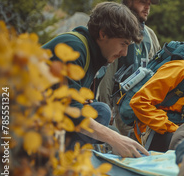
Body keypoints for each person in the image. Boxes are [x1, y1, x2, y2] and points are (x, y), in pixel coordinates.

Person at [42, 2, 149, 158]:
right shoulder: (74, 47)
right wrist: (115, 139)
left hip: (43, 118)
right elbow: (69, 109)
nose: (125, 53)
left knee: (101, 112)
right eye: (123, 44)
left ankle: (62, 160)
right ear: (103, 34)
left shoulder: (94, 58)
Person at [96, 0, 161, 140]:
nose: (147, 7)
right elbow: (107, 73)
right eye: (143, 2)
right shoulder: (116, 31)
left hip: (143, 111)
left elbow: (157, 73)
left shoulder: (150, 36)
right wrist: (106, 107)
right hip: (118, 109)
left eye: (150, 3)